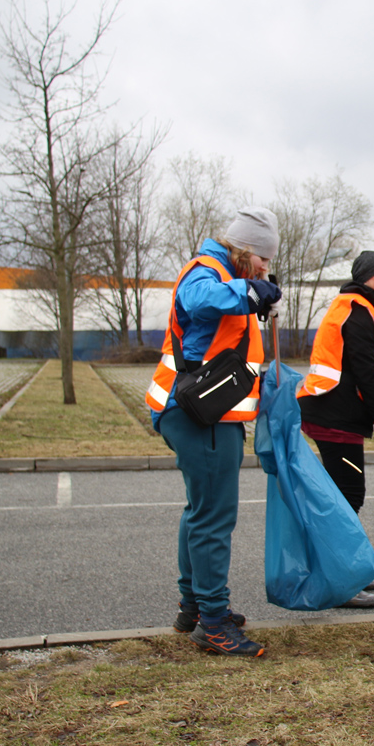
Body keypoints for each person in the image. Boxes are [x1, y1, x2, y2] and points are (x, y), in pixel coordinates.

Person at [146, 207, 283, 657]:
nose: (266, 268)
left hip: (198, 413)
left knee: (199, 511)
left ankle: (194, 606)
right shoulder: (207, 272)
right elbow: (201, 300)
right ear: (246, 252)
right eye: (263, 261)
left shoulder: (221, 271)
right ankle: (215, 622)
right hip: (200, 415)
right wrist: (250, 290)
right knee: (213, 518)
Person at [295, 250, 374, 608]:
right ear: (365, 276)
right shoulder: (358, 314)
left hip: (327, 412)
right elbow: (365, 375)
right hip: (336, 417)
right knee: (347, 498)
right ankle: (340, 579)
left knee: (339, 496)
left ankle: (345, 567)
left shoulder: (351, 306)